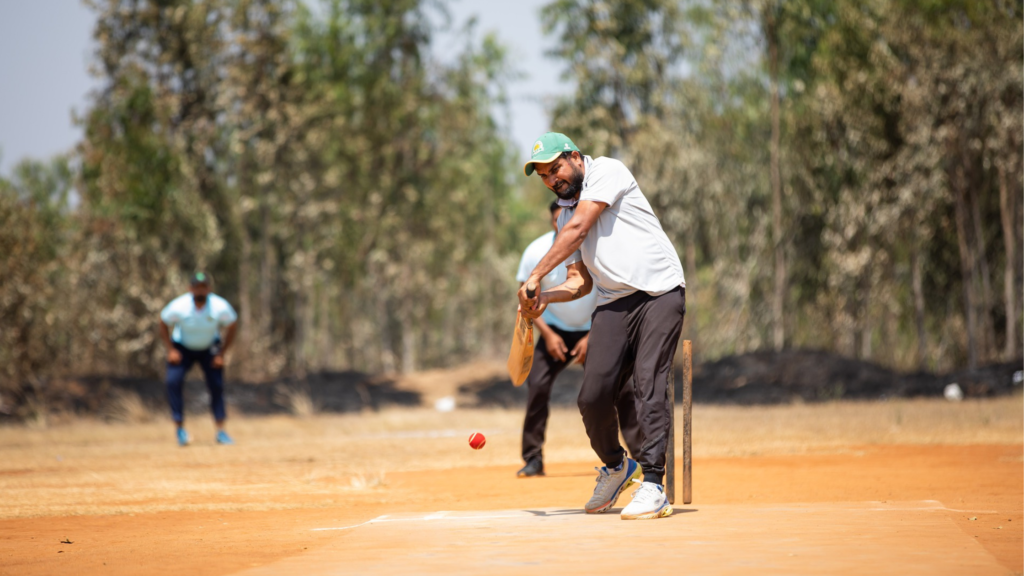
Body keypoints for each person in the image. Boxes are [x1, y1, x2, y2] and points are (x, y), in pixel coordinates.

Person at [519, 133, 686, 520]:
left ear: (575, 157)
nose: (551, 179)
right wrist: (546, 298)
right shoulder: (563, 213)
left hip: (659, 292)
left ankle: (654, 485)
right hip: (613, 302)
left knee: (648, 384)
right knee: (592, 396)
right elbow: (580, 282)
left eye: (555, 168)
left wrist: (536, 277)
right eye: (543, 176)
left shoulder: (607, 171)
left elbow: (579, 229)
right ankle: (616, 466)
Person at [515, 202, 643, 478]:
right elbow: (525, 297)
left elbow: (610, 293)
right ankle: (533, 459)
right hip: (554, 330)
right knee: (537, 386)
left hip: (596, 328)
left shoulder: (596, 249)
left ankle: (642, 456)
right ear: (554, 224)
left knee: (621, 390)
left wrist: (591, 336)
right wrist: (547, 335)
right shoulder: (536, 252)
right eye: (560, 223)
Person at [159, 272, 239, 446]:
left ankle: (221, 431)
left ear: (209, 288)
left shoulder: (219, 306)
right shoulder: (179, 306)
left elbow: (232, 325)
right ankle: (180, 429)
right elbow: (163, 321)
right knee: (173, 381)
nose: (200, 290)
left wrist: (222, 353)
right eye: (197, 287)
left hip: (210, 348)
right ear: (190, 289)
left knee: (216, 385)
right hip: (182, 347)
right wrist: (171, 350)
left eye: (204, 287)